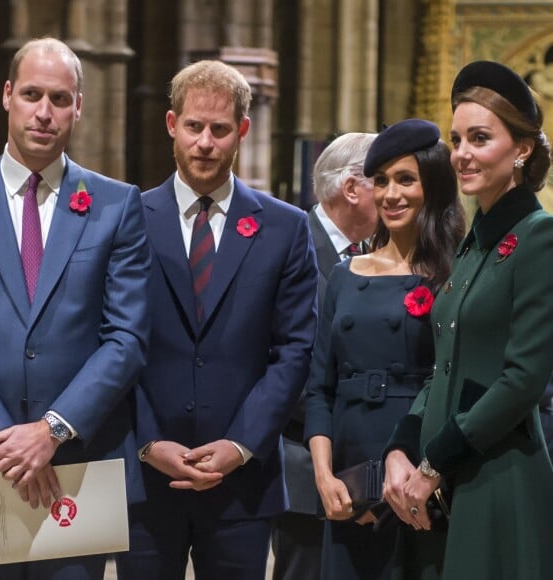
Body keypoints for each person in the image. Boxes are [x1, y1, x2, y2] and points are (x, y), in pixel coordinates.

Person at [115, 59, 318, 580]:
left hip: (241, 484)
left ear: (242, 132)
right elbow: (109, 342)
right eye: (194, 127)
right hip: (144, 475)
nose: (205, 142)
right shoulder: (126, 219)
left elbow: (294, 349)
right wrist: (146, 440)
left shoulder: (285, 228)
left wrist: (240, 445)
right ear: (171, 125)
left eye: (220, 129)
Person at [0, 38, 150, 579]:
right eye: (31, 94)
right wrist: (9, 443)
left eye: (59, 98)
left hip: (76, 469)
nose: (44, 113)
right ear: (7, 96)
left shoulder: (116, 206)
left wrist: (50, 430)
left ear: (79, 106)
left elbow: (127, 337)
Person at [383, 60, 553, 580]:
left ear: (522, 149)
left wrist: (435, 462)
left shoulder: (539, 238)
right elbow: (443, 367)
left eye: (479, 139)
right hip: (438, 486)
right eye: (457, 140)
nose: (461, 154)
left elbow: (522, 379)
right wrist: (401, 447)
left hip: (497, 481)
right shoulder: (473, 245)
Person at [305, 119, 465, 580]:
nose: (391, 194)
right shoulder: (344, 274)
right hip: (347, 474)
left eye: (405, 180)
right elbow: (320, 387)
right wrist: (324, 475)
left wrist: (427, 473)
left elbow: (456, 381)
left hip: (422, 469)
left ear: (432, 186)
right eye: (381, 181)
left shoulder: (457, 271)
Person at [272, 132, 378, 580]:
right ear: (352, 188)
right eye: (385, 180)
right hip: (303, 459)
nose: (395, 194)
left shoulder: (378, 256)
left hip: (370, 464)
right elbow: (277, 360)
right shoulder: (287, 244)